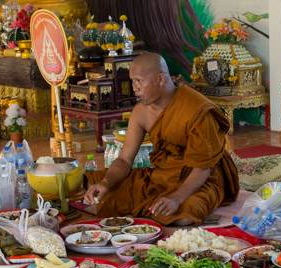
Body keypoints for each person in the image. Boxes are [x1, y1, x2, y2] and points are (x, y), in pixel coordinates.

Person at [84, 52, 239, 226]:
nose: (134, 87)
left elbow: (203, 168)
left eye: (139, 81)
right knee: (103, 198)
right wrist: (106, 183)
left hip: (201, 177)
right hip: (163, 173)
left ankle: (168, 205)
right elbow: (124, 159)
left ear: (160, 79)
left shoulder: (197, 110)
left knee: (185, 215)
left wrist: (176, 198)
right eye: (132, 81)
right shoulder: (141, 112)